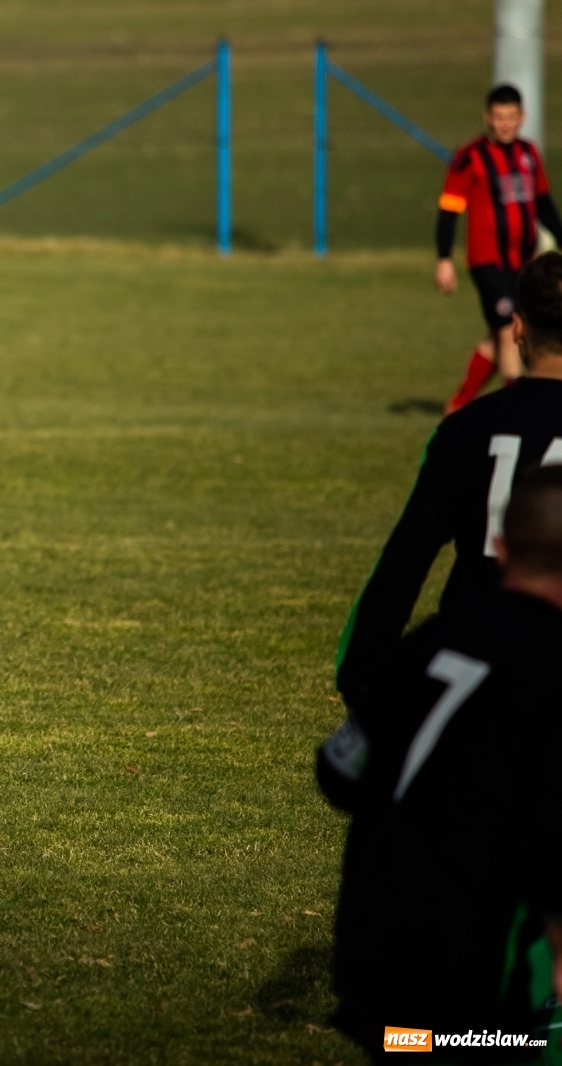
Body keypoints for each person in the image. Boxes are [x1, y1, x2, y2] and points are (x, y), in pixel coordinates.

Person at [317, 465, 562, 1062]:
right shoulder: (552, 671)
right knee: (509, 1046)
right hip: (468, 988)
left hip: (369, 966)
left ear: (499, 543)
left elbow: (337, 771)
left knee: (410, 1046)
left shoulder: (429, 643)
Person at [336, 251, 562, 706]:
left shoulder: (464, 430)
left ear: (517, 328)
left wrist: (361, 671)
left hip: (475, 669)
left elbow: (403, 563)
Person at [438, 84, 562, 414]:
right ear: (487, 117)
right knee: (510, 328)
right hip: (487, 262)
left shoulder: (529, 154)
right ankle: (517, 409)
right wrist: (444, 258)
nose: (504, 124)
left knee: (497, 338)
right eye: (498, 117)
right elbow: (449, 210)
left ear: (522, 117)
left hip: (523, 261)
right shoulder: (470, 158)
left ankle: (459, 404)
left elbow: (544, 205)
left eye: (511, 117)